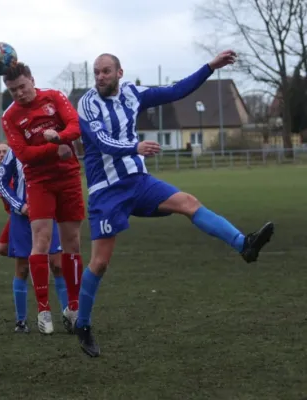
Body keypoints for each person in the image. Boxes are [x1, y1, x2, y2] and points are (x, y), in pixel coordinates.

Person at [74, 51, 275, 357]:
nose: (99, 77)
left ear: (119, 73)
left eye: (105, 72)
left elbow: (176, 91)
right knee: (100, 263)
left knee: (188, 202)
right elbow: (101, 142)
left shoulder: (132, 93)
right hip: (106, 191)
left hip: (138, 182)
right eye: (96, 72)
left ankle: (244, 245)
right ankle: (83, 324)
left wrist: (210, 67)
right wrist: (134, 146)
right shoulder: (87, 103)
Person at [1, 63, 85, 334]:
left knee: (72, 242)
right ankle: (44, 311)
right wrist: (54, 148)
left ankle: (73, 307)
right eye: (13, 90)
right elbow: (24, 155)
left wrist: (60, 136)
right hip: (38, 182)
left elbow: (75, 126)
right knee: (41, 241)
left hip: (68, 177)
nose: (19, 94)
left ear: (32, 81)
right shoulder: (10, 116)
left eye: (22, 87)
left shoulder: (55, 97)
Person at [0, 148, 69, 334]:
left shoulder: (48, 148)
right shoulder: (15, 151)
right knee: (22, 267)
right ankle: (21, 321)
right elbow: (1, 183)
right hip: (22, 217)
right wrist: (20, 206)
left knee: (57, 264)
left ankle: (69, 315)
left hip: (47, 213)